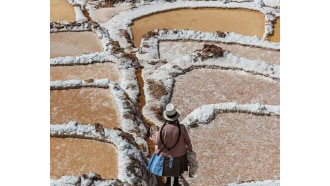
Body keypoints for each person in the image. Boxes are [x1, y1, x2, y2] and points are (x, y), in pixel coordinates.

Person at [150, 103, 193, 186]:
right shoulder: (182, 127)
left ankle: (168, 182)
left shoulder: (162, 128)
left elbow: (157, 142)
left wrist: (152, 136)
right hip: (180, 155)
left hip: (166, 155)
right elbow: (188, 141)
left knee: (168, 169)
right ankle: (176, 183)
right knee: (177, 170)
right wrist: (190, 150)